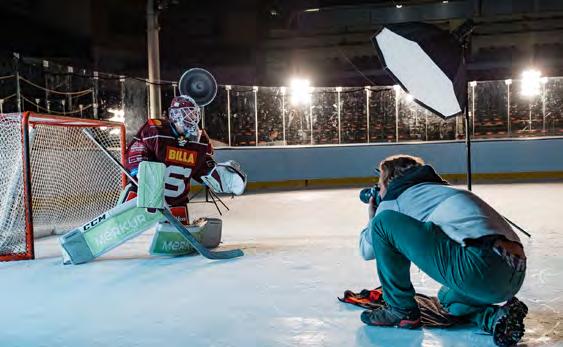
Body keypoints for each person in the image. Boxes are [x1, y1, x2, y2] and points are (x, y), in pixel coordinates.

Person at [359, 154, 527, 347]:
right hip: (512, 277)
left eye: (379, 185)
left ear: (389, 180)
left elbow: (366, 250)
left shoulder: (396, 198)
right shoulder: (440, 190)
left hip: (479, 267)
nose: (379, 191)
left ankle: (401, 310)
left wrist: (373, 216)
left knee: (383, 222)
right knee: (447, 299)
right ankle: (497, 318)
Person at [121, 95, 246, 251]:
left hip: (176, 202)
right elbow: (136, 151)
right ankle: (111, 224)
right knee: (118, 227)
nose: (192, 117)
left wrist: (220, 177)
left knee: (175, 240)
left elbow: (202, 166)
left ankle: (176, 235)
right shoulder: (156, 129)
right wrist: (142, 174)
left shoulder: (199, 140)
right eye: (188, 112)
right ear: (175, 114)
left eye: (194, 113)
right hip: (145, 195)